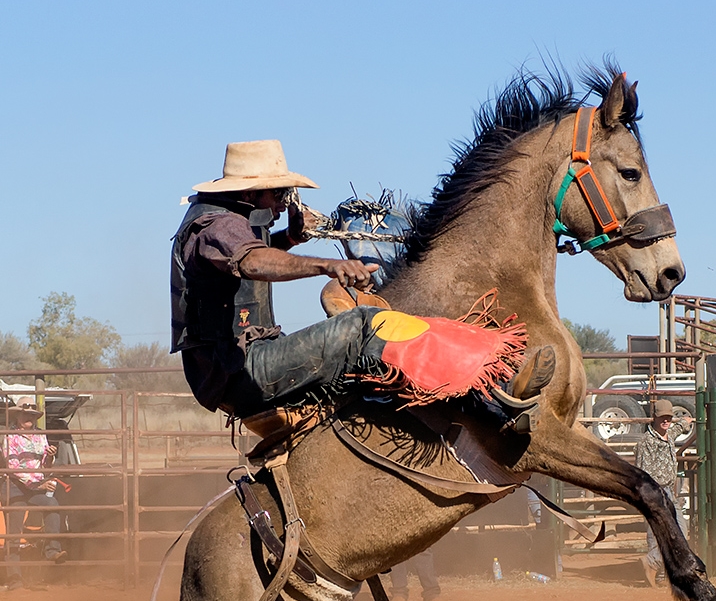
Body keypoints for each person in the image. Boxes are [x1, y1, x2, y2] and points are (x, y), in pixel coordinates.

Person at [171, 140, 553, 421]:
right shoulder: (218, 226)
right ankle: (497, 394)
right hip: (242, 370)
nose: (283, 203)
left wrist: (291, 237)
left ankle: (475, 396)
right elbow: (253, 261)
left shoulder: (225, 222)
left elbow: (248, 258)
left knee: (360, 364)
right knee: (360, 326)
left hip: (238, 365)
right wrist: (327, 265)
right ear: (251, 192)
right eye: (278, 193)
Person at [1, 405, 66, 588]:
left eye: (32, 414)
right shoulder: (9, 436)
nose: (28, 417)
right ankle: (14, 577)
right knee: (14, 528)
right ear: (17, 416)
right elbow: (13, 467)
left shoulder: (40, 435)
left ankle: (52, 550)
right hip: (14, 486)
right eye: (25, 414)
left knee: (51, 503)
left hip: (34, 485)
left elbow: (45, 465)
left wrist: (50, 457)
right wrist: (38, 484)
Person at [633, 399, 686, 588]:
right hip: (655, 492)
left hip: (668, 491)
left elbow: (677, 429)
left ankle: (656, 566)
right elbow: (643, 473)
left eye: (669, 417)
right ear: (654, 417)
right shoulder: (646, 442)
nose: (666, 421)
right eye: (662, 417)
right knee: (659, 533)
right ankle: (657, 568)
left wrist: (685, 422)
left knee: (679, 531)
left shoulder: (668, 435)